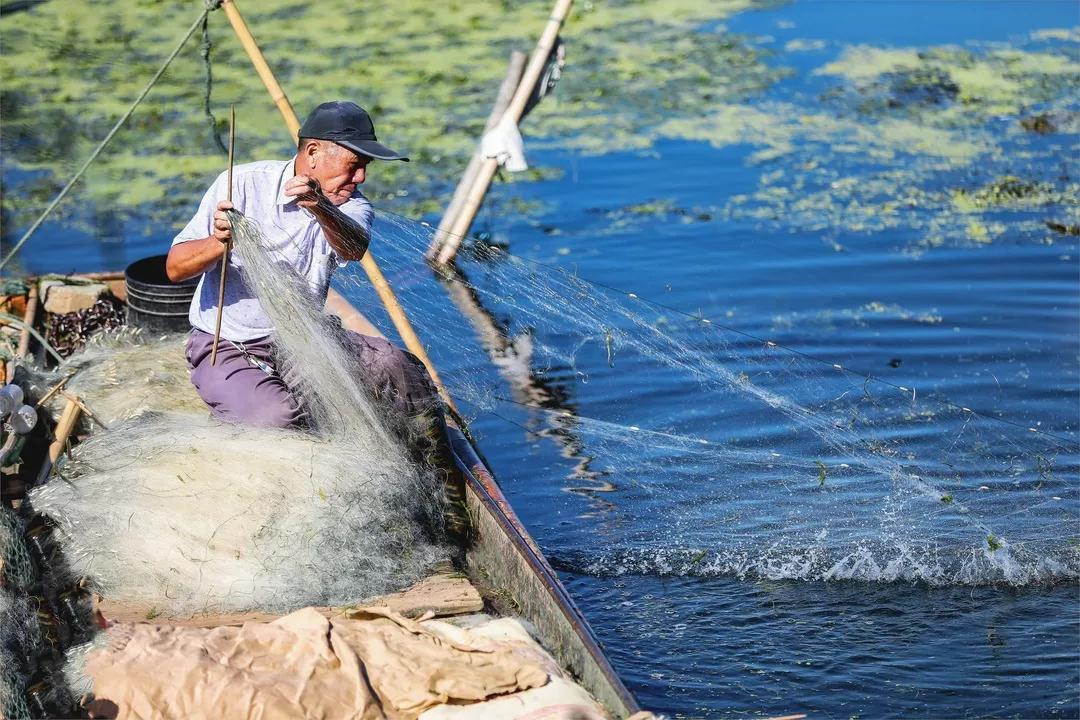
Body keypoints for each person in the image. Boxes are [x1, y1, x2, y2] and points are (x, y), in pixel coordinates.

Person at [166, 100, 438, 431]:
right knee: (278, 419)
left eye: (366, 166)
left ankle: (436, 464)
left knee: (399, 369)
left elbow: (353, 248)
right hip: (228, 342)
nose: (361, 177)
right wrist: (218, 243)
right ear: (312, 153)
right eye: (353, 165)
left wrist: (320, 207)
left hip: (308, 338)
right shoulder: (241, 184)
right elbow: (175, 269)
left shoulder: (352, 206)